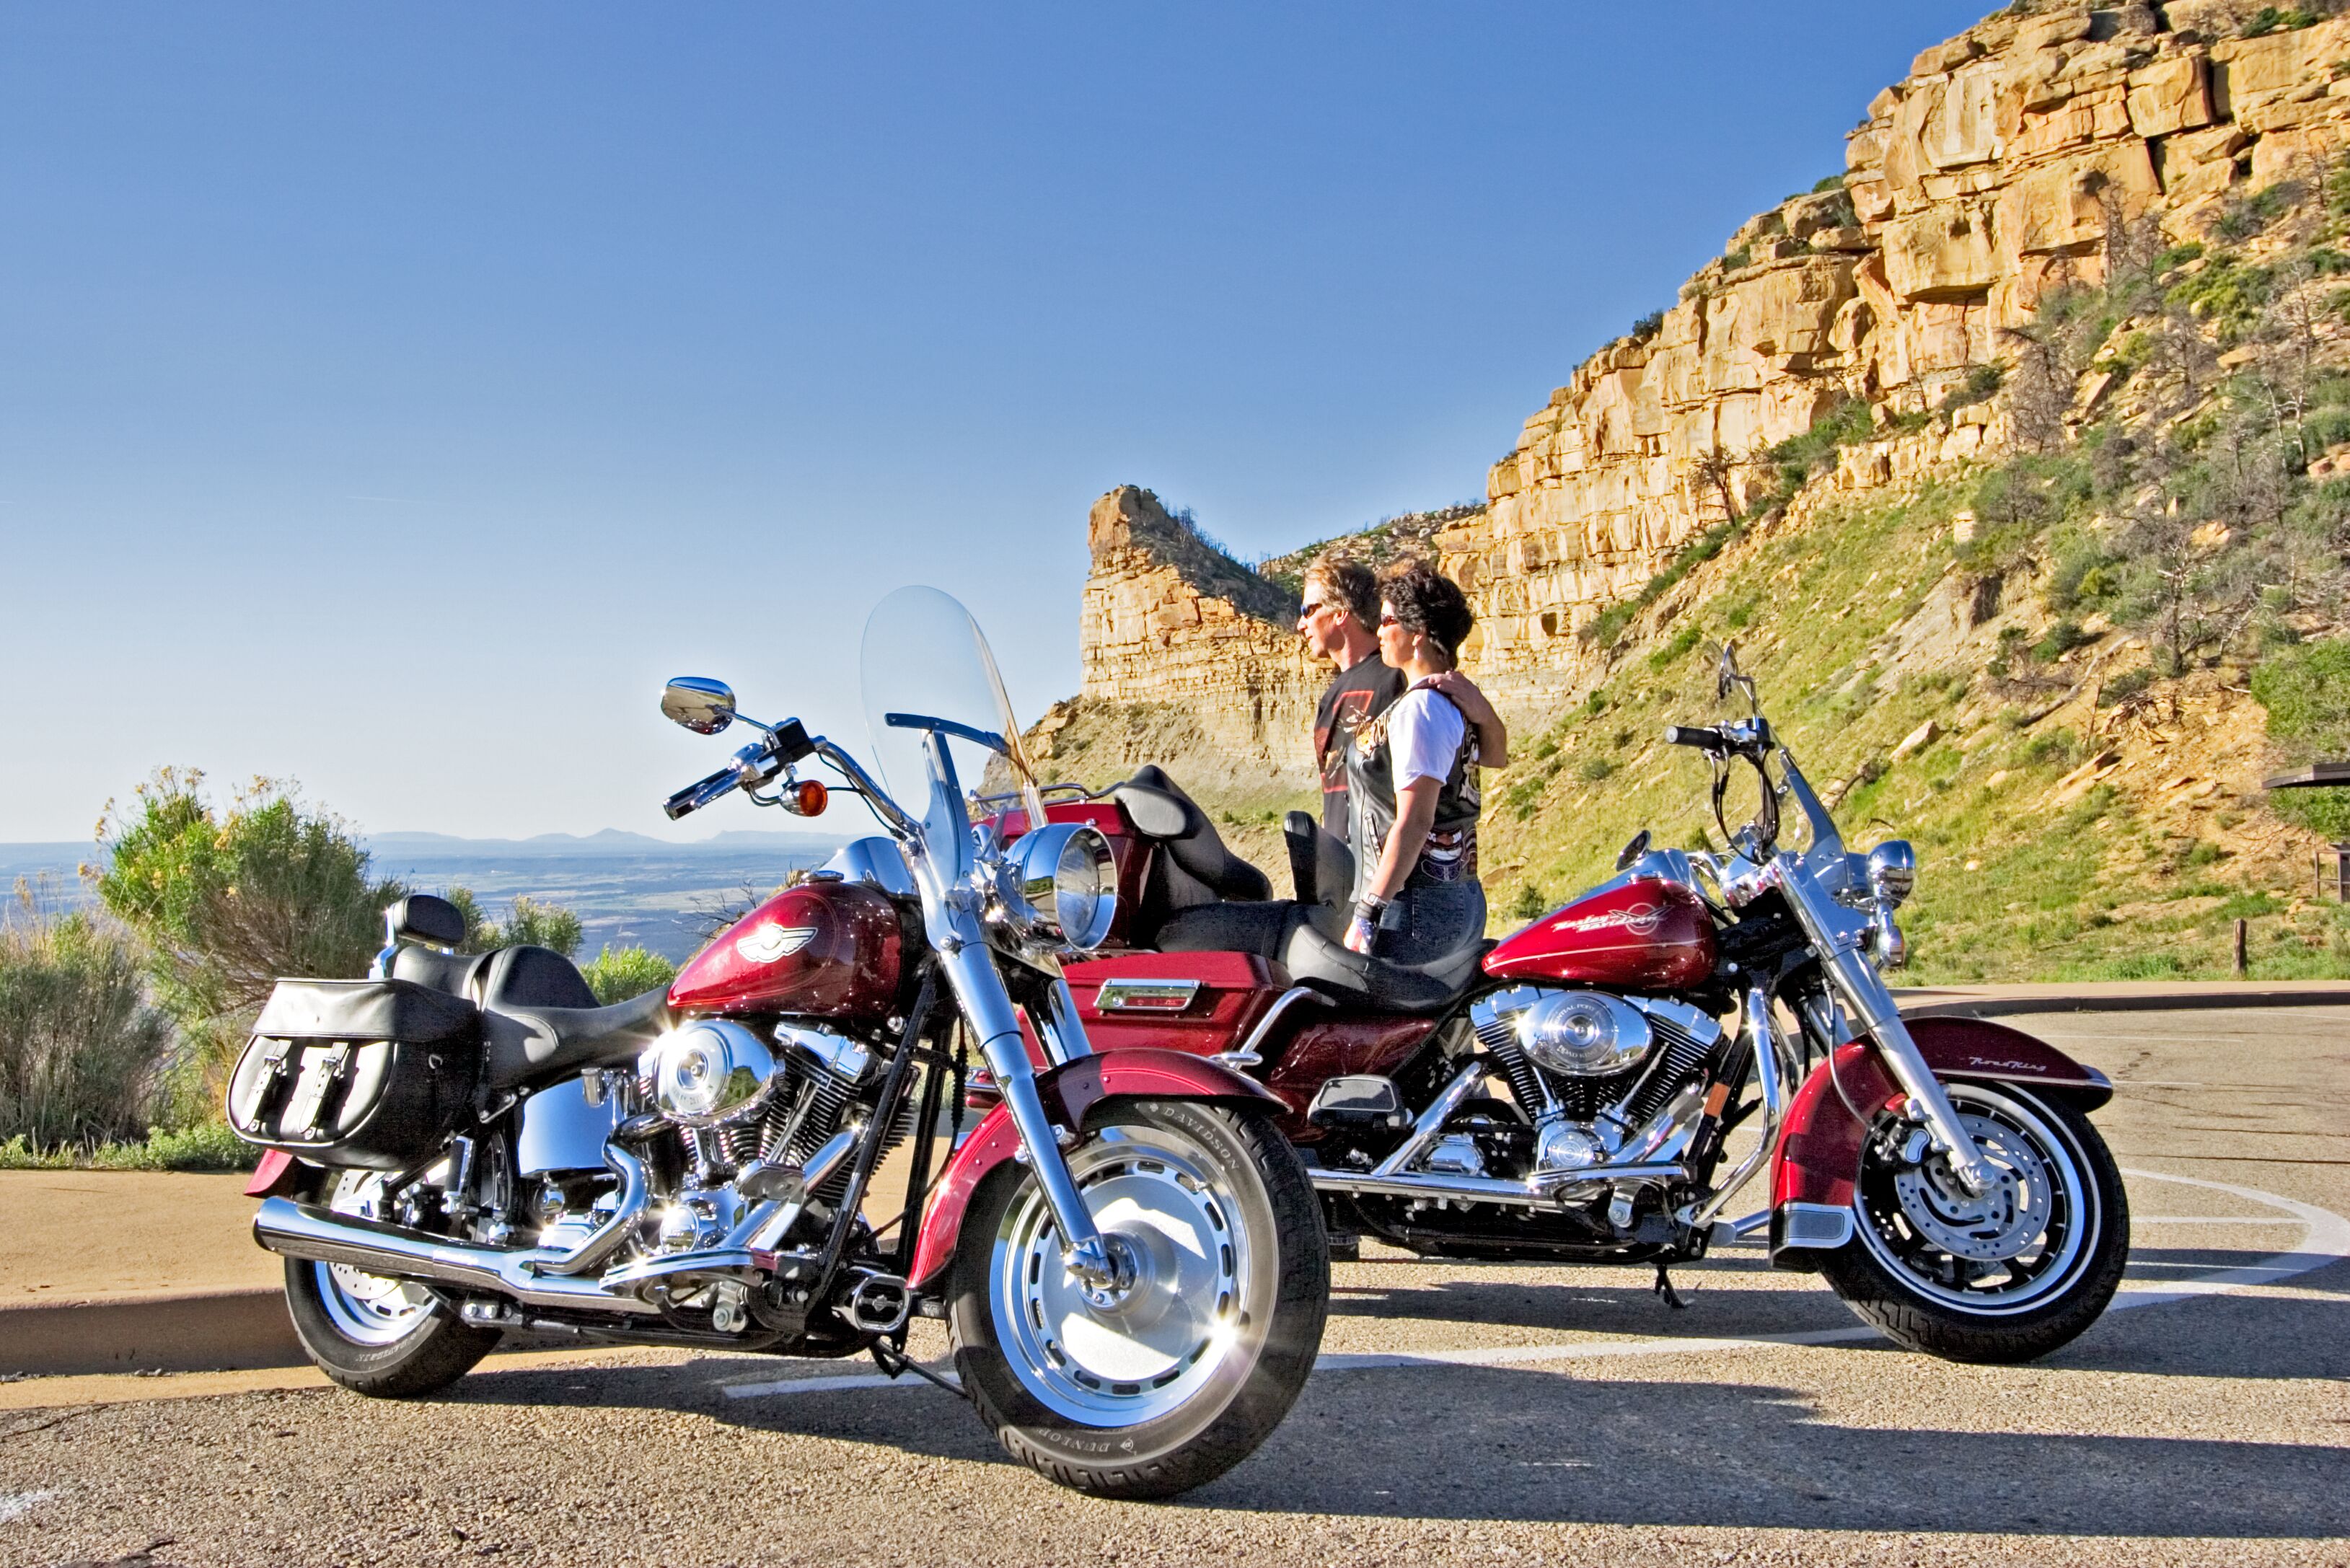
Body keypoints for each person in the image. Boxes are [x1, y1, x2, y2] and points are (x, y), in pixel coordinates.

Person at [1342, 560, 1504, 961]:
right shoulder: (1449, 700)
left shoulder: (1421, 708)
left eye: (1387, 621)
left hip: (1414, 905)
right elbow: (1496, 756)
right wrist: (1486, 714)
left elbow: (1415, 820)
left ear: (1417, 633)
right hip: (1452, 895)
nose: (1379, 631)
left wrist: (1368, 911)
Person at [1297, 551, 1506, 849]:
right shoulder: (1332, 695)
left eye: (1307, 610)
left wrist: (1485, 714)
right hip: (1347, 871)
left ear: (1340, 612)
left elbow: (1488, 757)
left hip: (1400, 877)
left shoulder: (1403, 675)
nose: (1300, 624)